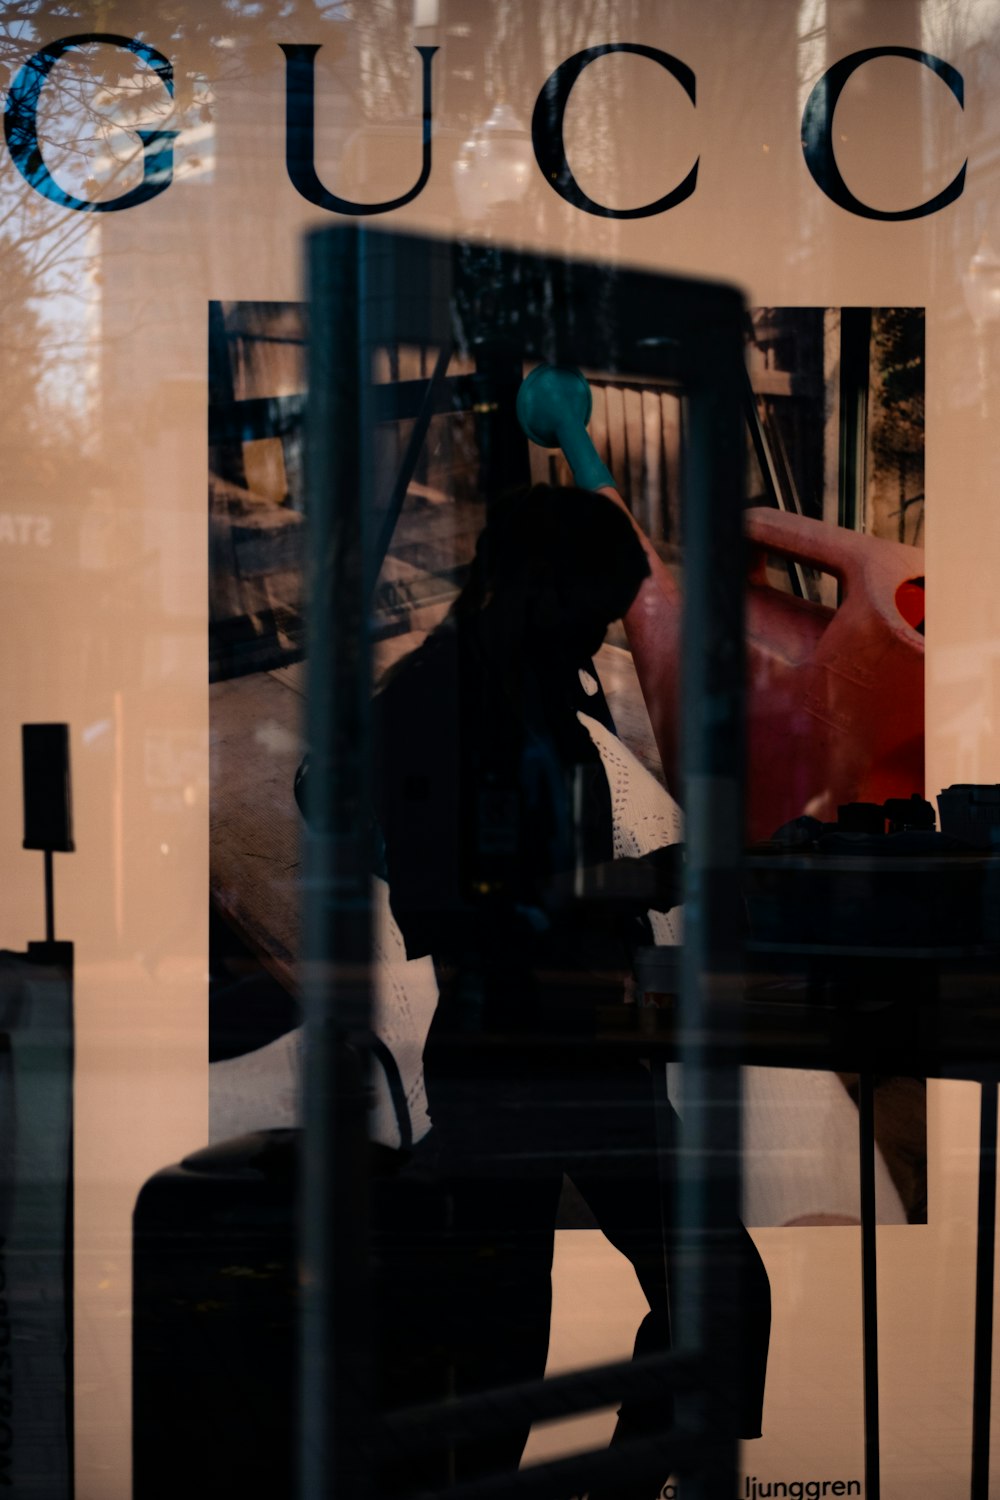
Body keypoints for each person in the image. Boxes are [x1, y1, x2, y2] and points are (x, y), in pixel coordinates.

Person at [370, 482, 770, 1498]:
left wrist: (627, 896)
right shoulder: (434, 704)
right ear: (532, 589)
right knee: (500, 1359)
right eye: (591, 611)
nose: (599, 639)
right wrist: (631, 889)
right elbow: (449, 913)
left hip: (583, 1046)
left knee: (703, 1296)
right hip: (511, 1062)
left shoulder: (537, 688)